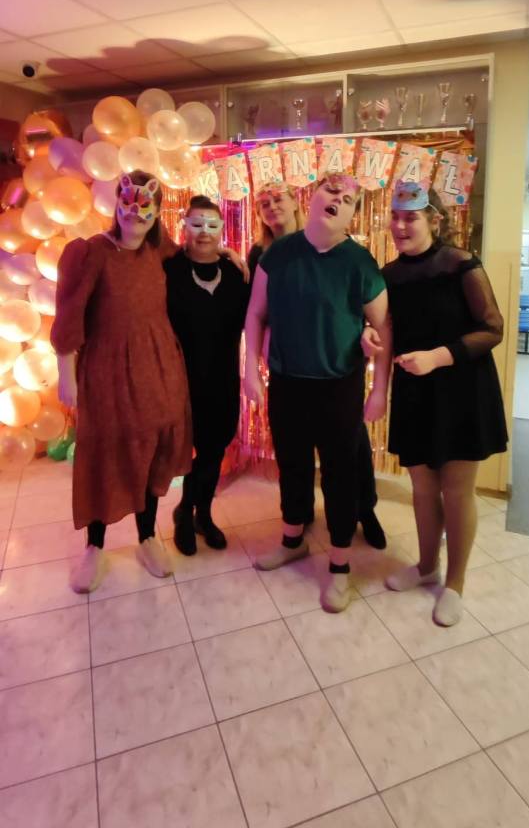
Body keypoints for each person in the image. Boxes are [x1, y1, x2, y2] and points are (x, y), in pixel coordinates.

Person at [363, 180, 507, 627]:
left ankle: (455, 584)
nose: (400, 226)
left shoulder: (460, 264)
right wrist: (369, 339)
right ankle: (427, 567)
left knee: (457, 491)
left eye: (411, 217)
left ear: (434, 220)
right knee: (423, 490)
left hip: (463, 389)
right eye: (395, 217)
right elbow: (384, 330)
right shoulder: (388, 275)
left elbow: (493, 328)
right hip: (415, 392)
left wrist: (437, 357)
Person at [245, 173, 392, 613]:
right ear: (310, 197)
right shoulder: (278, 255)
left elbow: (384, 328)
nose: (338, 200)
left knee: (339, 474)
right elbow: (255, 314)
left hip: (338, 385)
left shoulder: (359, 262)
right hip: (287, 382)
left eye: (348, 200)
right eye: (332, 191)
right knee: (291, 465)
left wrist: (379, 390)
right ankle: (293, 539)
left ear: (352, 215)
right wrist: (249, 370)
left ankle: (340, 564)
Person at [52, 170, 192, 593]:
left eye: (145, 206)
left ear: (157, 212)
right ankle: (94, 546)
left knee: (151, 450)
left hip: (158, 366)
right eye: (127, 203)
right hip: (107, 370)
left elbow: (193, 257)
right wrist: (65, 372)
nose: (135, 212)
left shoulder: (159, 250)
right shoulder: (92, 253)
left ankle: (148, 536)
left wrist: (227, 253)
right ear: (116, 205)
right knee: (104, 451)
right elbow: (69, 314)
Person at [165, 196, 250, 556]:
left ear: (221, 230)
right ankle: (184, 514)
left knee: (215, 449)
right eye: (196, 224)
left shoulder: (235, 274)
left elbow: (255, 319)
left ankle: (202, 514)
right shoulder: (169, 271)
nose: (204, 232)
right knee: (189, 451)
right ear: (184, 227)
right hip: (180, 381)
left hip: (223, 379)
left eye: (212, 225)